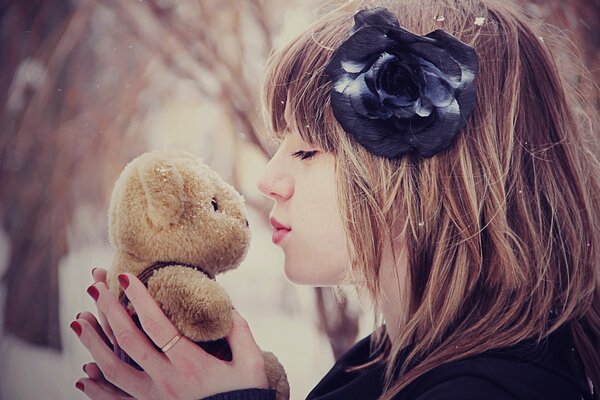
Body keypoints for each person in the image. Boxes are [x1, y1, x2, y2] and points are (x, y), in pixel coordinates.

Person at [71, 0, 600, 399]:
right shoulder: (384, 361)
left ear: (432, 176)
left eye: (305, 151)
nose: (267, 181)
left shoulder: (495, 391)